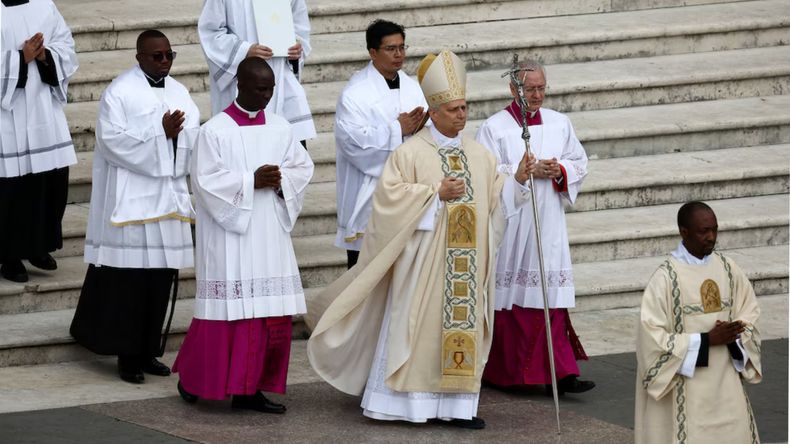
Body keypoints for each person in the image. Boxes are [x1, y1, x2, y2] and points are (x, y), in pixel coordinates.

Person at [308, 50, 535, 429]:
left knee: (459, 332)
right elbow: (387, 203)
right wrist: (433, 194)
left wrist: (518, 181)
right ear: (433, 111)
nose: (461, 115)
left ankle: (457, 408)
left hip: (463, 272)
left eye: (464, 108)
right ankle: (404, 407)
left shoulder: (480, 156)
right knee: (416, 332)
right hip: (421, 268)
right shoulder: (409, 153)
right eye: (453, 109)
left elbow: (497, 203)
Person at [172, 57, 314, 414]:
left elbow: (302, 167)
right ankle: (193, 380)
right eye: (259, 89)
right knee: (227, 316)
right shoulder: (215, 131)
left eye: (271, 89)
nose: (266, 96)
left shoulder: (281, 128)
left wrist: (283, 182)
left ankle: (252, 391)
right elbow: (204, 182)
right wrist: (251, 181)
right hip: (230, 238)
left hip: (270, 235)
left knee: (269, 316)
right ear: (240, 85)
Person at [69, 30, 199, 384]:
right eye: (157, 56)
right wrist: (161, 135)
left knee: (159, 279)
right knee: (131, 283)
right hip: (132, 202)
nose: (164, 62)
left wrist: (176, 136)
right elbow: (111, 141)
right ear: (139, 56)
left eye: (169, 55)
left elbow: (194, 133)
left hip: (167, 198)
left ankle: (148, 351)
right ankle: (127, 357)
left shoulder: (179, 91)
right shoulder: (119, 91)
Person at [475, 59, 594, 394]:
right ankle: (512, 374)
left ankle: (562, 372)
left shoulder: (559, 122)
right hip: (515, 223)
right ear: (514, 89)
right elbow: (485, 172)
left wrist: (560, 170)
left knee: (551, 295)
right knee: (514, 299)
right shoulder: (494, 128)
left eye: (542, 88)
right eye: (530, 89)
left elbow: (579, 160)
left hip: (549, 222)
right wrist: (520, 170)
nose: (538, 94)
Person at [635, 201, 761, 443]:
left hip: (726, 383)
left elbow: (750, 311)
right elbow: (650, 339)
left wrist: (736, 333)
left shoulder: (727, 268)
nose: (711, 237)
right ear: (684, 232)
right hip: (686, 387)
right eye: (704, 231)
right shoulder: (665, 279)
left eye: (714, 229)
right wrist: (705, 340)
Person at [334, 19, 427, 268]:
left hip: (408, 192)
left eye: (402, 47)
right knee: (364, 276)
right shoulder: (355, 94)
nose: (399, 55)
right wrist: (398, 130)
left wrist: (421, 128)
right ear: (372, 52)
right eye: (391, 49)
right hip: (370, 196)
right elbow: (352, 143)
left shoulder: (414, 88)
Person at [0, 0, 78, 282]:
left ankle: (39, 246)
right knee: (11, 188)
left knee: (49, 180)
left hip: (44, 110)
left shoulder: (45, 5)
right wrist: (20, 58)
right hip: (7, 117)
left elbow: (66, 45)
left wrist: (47, 55)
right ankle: (9, 256)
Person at [198, 0, 316, 145]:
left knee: (287, 147)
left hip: (281, 78)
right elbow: (210, 32)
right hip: (242, 77)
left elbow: (300, 26)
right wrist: (244, 50)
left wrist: (297, 46)